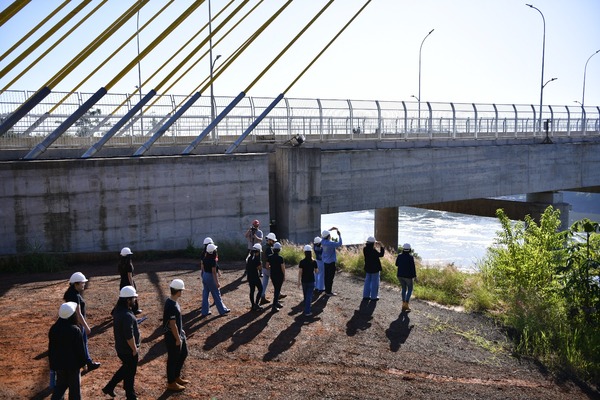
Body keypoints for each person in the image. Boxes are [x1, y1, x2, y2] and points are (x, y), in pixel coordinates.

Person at [102, 286, 141, 400]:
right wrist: (134, 349)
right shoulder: (127, 315)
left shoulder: (118, 310)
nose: (135, 300)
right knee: (130, 371)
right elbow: (129, 336)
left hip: (121, 348)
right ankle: (130, 395)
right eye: (133, 298)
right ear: (128, 300)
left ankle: (111, 387)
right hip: (128, 350)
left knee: (127, 369)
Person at [48, 302, 87, 400]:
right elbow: (80, 349)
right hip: (73, 366)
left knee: (60, 387)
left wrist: (52, 365)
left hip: (59, 365)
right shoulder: (75, 330)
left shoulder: (54, 329)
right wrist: (84, 363)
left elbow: (51, 349)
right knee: (74, 391)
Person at [63, 272, 100, 372]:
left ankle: (84, 365)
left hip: (72, 323)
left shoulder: (70, 293)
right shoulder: (75, 296)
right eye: (82, 283)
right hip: (78, 324)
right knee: (83, 344)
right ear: (76, 284)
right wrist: (86, 326)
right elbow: (78, 314)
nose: (84, 284)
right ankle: (88, 363)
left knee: (78, 344)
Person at [163, 279, 189, 392]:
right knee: (172, 359)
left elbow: (177, 323)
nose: (182, 292)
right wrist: (178, 339)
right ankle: (171, 382)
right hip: (173, 337)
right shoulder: (171, 306)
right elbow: (172, 325)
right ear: (178, 291)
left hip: (179, 334)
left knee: (183, 353)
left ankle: (176, 376)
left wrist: (181, 331)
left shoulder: (173, 302)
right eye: (181, 290)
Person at [201, 243, 231, 316]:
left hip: (205, 275)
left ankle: (205, 311)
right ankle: (222, 311)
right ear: (213, 252)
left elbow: (203, 268)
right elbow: (214, 272)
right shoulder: (213, 261)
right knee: (216, 294)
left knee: (205, 294)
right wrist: (217, 283)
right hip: (210, 277)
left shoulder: (205, 258)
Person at [118, 247, 142, 315]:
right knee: (133, 295)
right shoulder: (129, 264)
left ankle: (118, 310)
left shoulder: (120, 264)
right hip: (128, 282)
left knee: (123, 296)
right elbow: (129, 276)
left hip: (122, 282)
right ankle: (135, 309)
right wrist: (132, 285)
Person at [321, 227, 343, 296]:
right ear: (328, 236)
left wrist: (330, 229)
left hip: (325, 262)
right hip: (331, 262)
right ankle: (328, 292)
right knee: (330, 277)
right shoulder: (330, 243)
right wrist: (339, 235)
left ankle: (326, 290)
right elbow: (340, 243)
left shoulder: (322, 241)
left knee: (326, 276)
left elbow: (323, 235)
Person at [395, 243, 417, 312]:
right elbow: (413, 268)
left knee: (404, 288)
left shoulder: (399, 256)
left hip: (400, 275)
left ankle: (403, 303)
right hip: (408, 276)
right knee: (410, 289)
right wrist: (415, 277)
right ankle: (406, 304)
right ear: (409, 249)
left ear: (403, 249)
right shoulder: (410, 257)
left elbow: (396, 264)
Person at [298, 244, 318, 316]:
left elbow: (300, 272)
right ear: (311, 252)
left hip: (304, 281)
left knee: (306, 296)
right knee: (309, 296)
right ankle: (307, 311)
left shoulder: (302, 262)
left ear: (305, 253)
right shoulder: (314, 262)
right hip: (311, 280)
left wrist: (298, 282)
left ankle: (306, 308)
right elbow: (316, 271)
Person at [363, 236, 385, 301]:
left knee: (367, 282)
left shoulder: (365, 249)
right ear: (373, 243)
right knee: (375, 282)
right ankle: (373, 297)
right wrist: (382, 246)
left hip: (367, 267)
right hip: (375, 269)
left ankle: (366, 296)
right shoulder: (373, 250)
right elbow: (381, 254)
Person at [267, 242, 286, 312]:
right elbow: (283, 268)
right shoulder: (280, 258)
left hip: (273, 275)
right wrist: (284, 276)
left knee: (276, 289)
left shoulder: (269, 257)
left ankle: (276, 303)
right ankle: (274, 306)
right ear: (279, 250)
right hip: (279, 275)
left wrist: (272, 267)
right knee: (277, 290)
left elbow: (267, 266)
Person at [260, 232, 277, 305]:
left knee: (264, 284)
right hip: (269, 268)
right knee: (276, 283)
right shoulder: (269, 249)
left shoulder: (263, 246)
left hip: (264, 267)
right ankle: (278, 296)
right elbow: (270, 259)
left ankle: (262, 297)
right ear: (269, 240)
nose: (273, 242)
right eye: (273, 241)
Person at [246, 243, 264, 311]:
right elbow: (259, 268)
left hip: (249, 277)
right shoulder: (257, 259)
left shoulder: (249, 257)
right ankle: (256, 304)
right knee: (260, 289)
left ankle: (253, 305)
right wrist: (261, 264)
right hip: (255, 277)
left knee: (252, 291)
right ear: (258, 251)